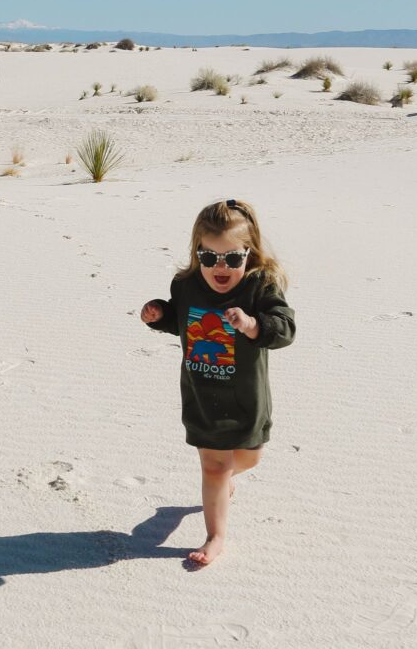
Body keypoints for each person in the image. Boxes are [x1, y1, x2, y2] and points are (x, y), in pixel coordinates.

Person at [140, 198, 296, 566]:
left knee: (248, 459)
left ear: (249, 252)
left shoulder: (261, 287)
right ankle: (216, 536)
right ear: (198, 254)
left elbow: (285, 328)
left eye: (232, 258)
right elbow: (181, 319)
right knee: (214, 466)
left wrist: (253, 325)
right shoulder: (186, 284)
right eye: (209, 258)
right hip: (202, 395)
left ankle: (225, 482)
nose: (220, 267)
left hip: (246, 398)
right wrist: (159, 313)